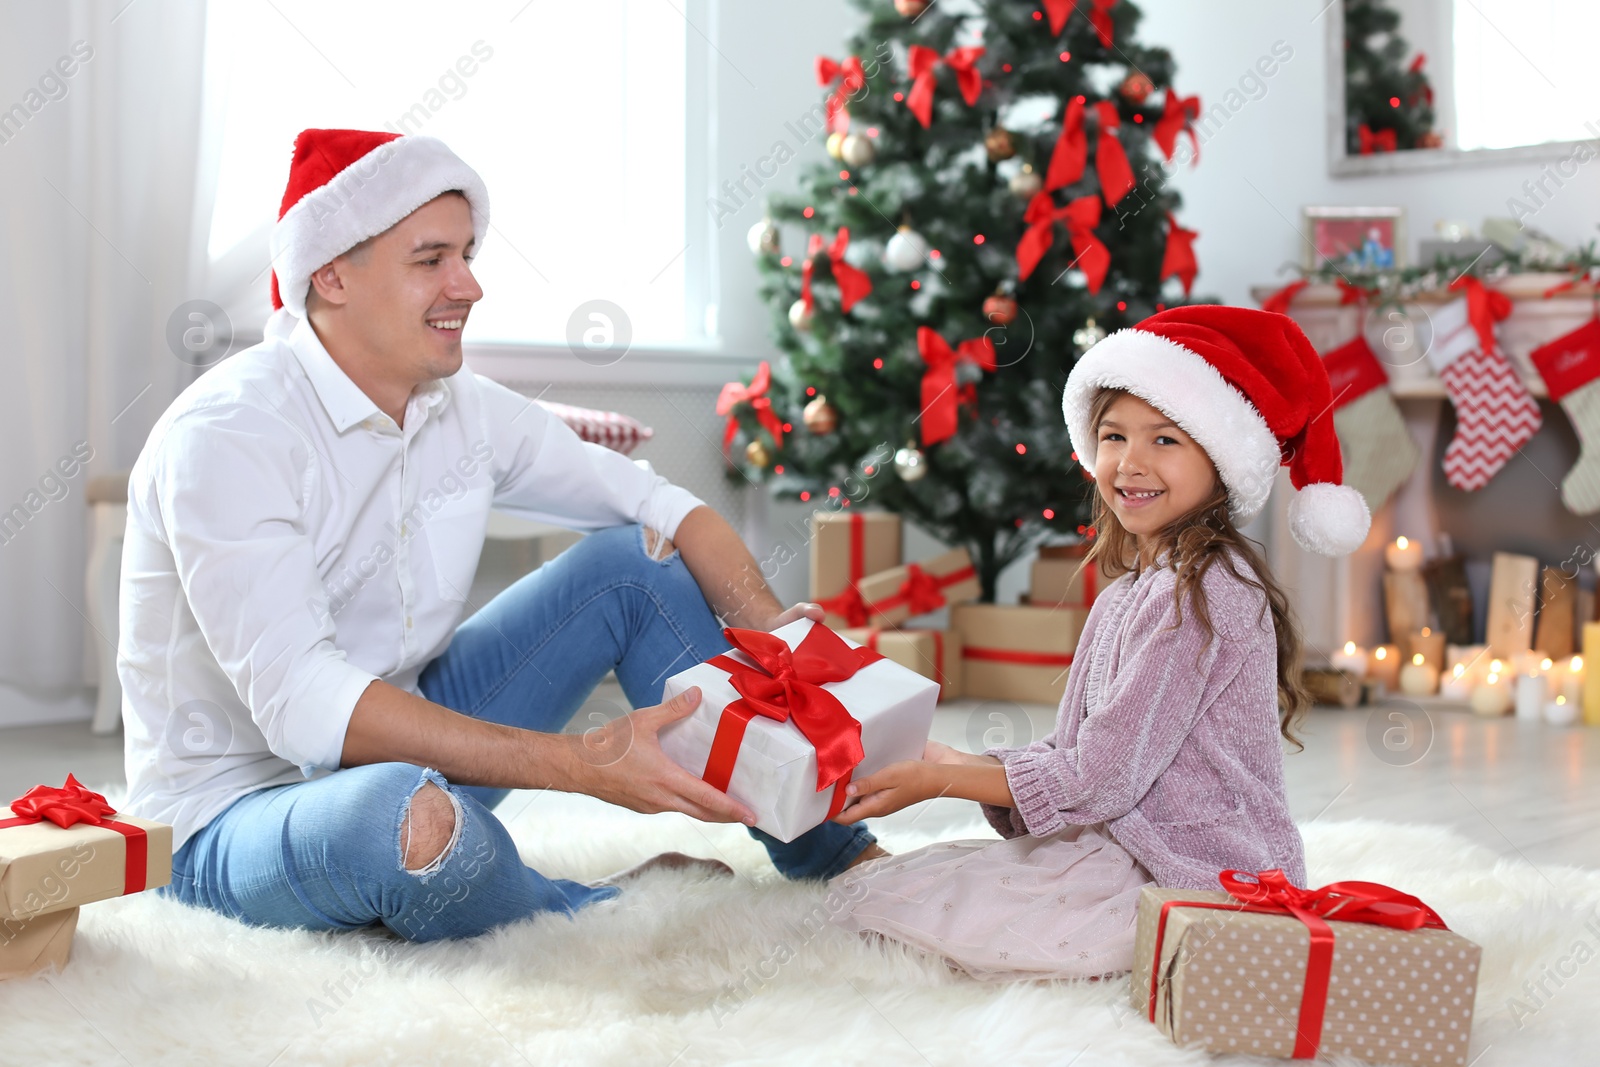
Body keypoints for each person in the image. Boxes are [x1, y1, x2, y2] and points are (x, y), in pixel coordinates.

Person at [118, 129, 883, 943]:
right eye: (432, 259)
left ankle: (837, 852)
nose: (469, 285)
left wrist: (772, 629)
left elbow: (663, 506)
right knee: (401, 821)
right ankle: (572, 903)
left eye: (469, 253)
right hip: (232, 817)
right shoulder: (231, 432)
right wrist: (584, 764)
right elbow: (309, 712)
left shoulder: (461, 407)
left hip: (399, 741)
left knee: (634, 567)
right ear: (331, 275)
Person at [826, 306, 1373, 981]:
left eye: (1165, 440)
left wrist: (942, 778)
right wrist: (952, 758)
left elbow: (1100, 777)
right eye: (1113, 435)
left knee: (899, 915)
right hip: (1117, 842)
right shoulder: (1128, 592)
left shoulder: (1204, 595)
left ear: (1222, 461)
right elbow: (1076, 753)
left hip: (1192, 876)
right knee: (882, 895)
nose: (1130, 462)